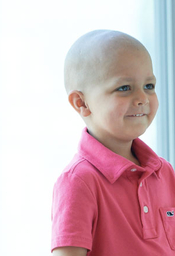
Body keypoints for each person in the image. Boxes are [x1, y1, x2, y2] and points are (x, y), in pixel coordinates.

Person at [51, 30, 175, 256]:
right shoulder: (79, 181)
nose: (142, 99)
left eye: (149, 86)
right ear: (82, 103)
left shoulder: (164, 172)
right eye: (124, 88)